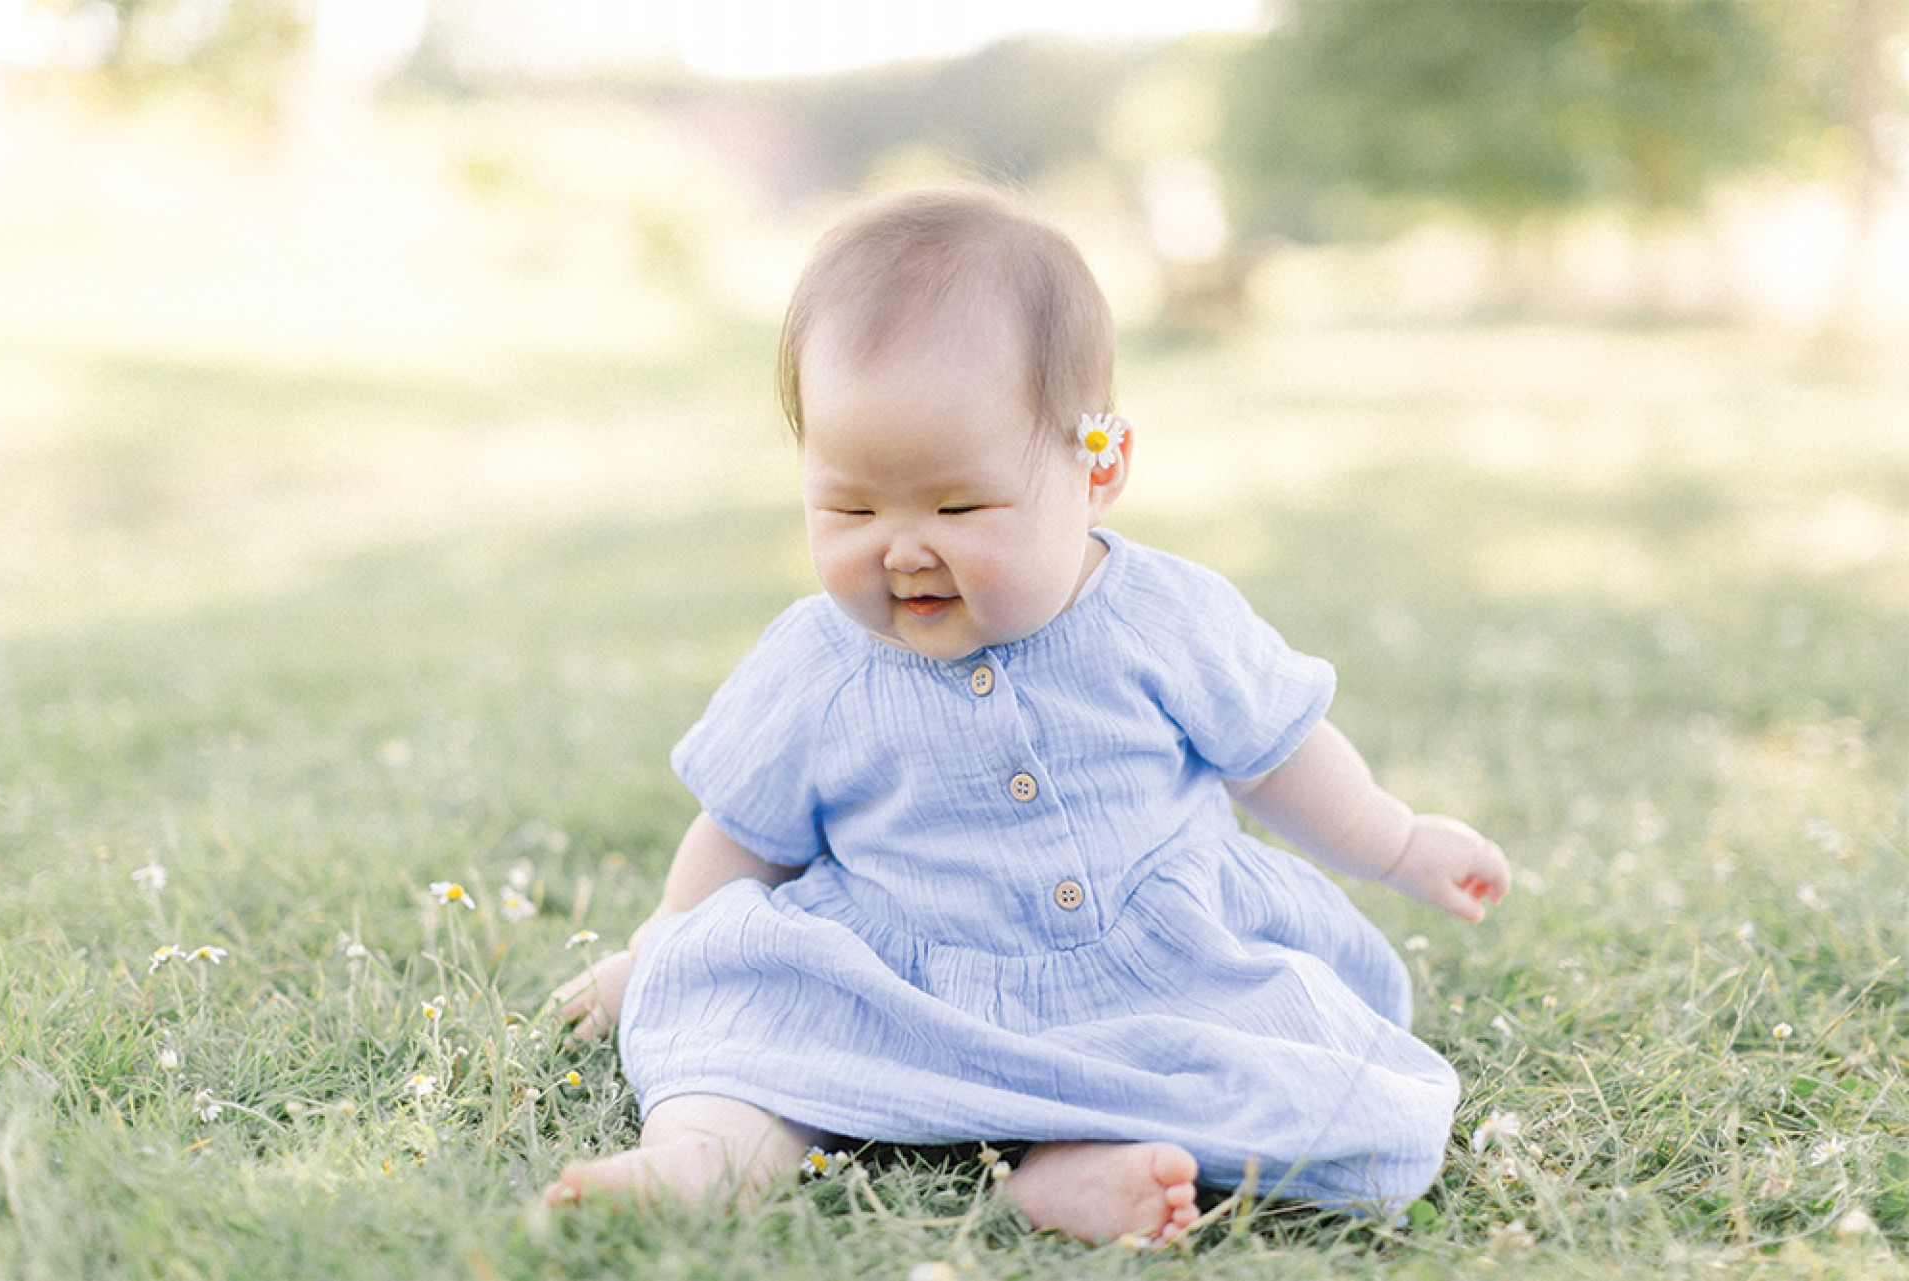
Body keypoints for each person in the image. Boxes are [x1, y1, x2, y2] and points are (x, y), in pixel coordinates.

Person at [541, 186, 1510, 1246]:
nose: (904, 546)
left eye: (959, 507)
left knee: (1336, 1102)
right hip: (900, 976)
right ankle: (708, 1155)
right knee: (746, 1019)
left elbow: (1279, 758)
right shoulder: (820, 660)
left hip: (1153, 967)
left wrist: (1400, 842)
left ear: (1098, 471)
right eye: (851, 507)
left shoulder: (1164, 618)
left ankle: (1071, 1167)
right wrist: (662, 949)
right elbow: (737, 839)